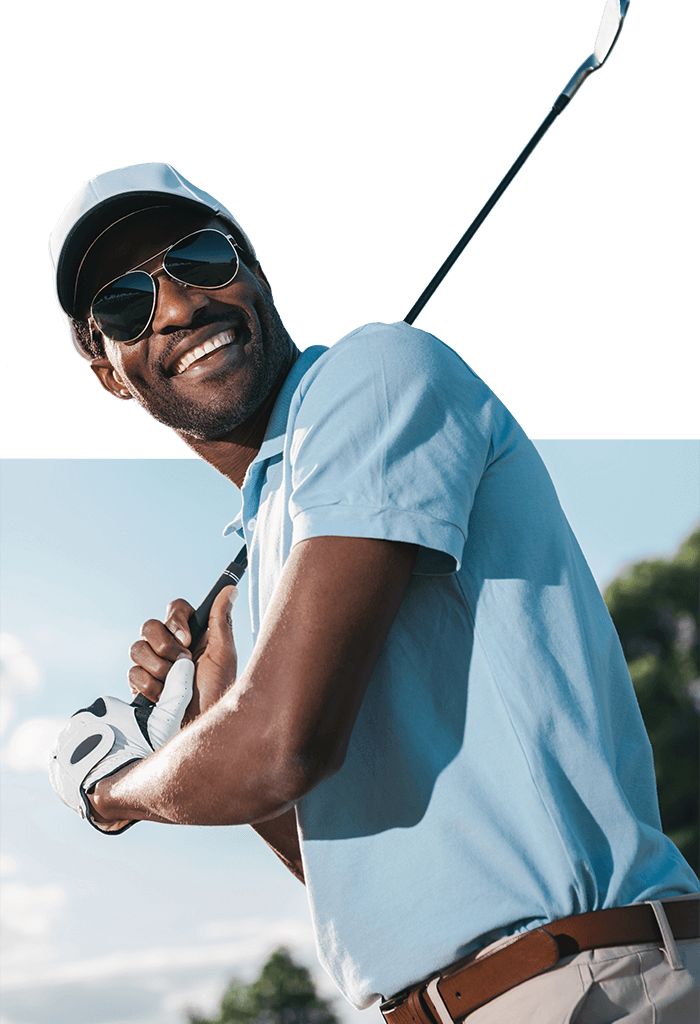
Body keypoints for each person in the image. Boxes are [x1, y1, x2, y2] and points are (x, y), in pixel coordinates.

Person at [48, 163, 699, 1023]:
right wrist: (210, 728)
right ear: (110, 372)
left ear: (255, 273)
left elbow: (282, 746)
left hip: (582, 983)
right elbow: (359, 874)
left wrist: (113, 790)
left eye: (201, 259)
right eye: (127, 306)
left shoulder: (374, 373)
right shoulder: (270, 537)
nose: (176, 306)